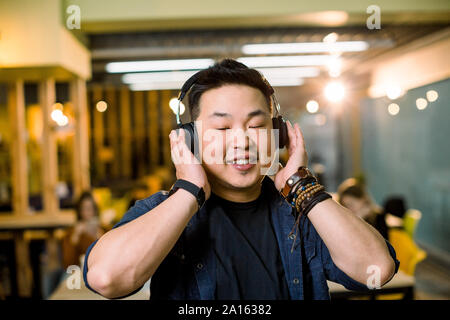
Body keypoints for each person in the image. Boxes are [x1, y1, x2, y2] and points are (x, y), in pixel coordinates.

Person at [83, 59, 399, 300]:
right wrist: (189, 192)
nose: (242, 141)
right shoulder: (163, 212)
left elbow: (376, 270)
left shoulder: (300, 213)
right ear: (191, 140)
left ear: (278, 134)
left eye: (256, 125)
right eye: (222, 128)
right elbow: (107, 278)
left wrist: (302, 186)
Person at [62, 191, 104, 269]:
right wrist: (75, 236)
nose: (87, 212)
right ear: (79, 211)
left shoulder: (104, 229)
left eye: (90, 208)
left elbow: (109, 255)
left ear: (95, 210)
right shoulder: (71, 232)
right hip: (77, 270)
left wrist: (99, 235)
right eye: (84, 209)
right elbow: (68, 263)